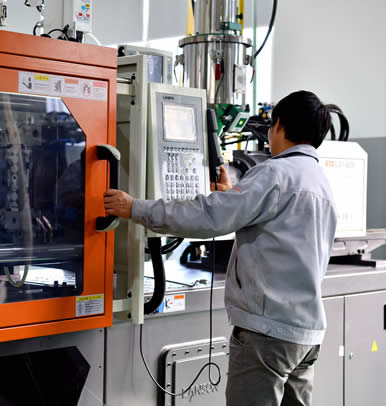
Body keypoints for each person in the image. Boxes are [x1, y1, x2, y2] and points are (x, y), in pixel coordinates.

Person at [104, 90, 338, 406]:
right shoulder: (320, 180)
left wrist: (135, 208)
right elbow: (272, 223)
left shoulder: (274, 173)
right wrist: (232, 194)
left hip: (267, 334)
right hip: (305, 336)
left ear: (280, 124)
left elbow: (208, 216)